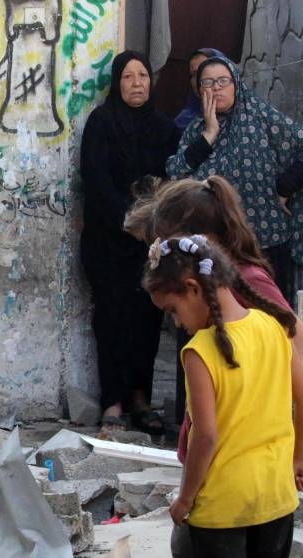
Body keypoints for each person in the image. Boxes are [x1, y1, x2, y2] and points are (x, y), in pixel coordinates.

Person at [126, 176, 303, 558]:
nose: (175, 321)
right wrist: (298, 457)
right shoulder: (267, 329)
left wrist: (186, 498)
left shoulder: (201, 349)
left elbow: (207, 435)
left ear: (193, 281)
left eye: (173, 309)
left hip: (220, 502)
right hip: (276, 492)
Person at [166, 55, 303, 301]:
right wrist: (209, 135)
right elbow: (176, 172)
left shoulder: (261, 118)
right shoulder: (195, 130)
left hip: (264, 241)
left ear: (236, 84)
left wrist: (284, 189)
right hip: (212, 246)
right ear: (199, 90)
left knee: (264, 317)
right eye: (208, 83)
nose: (216, 88)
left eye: (223, 81)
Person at [79, 50, 181, 434]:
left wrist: (153, 226)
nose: (136, 83)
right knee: (111, 320)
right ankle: (113, 401)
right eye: (128, 77)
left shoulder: (165, 129)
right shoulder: (102, 123)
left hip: (150, 245)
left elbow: (177, 175)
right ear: (117, 83)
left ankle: (141, 400)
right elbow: (95, 178)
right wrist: (130, 219)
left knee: (147, 321)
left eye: (142, 76)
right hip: (108, 242)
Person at [173, 48, 228, 129]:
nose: (200, 78)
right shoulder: (184, 120)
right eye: (194, 74)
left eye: (206, 70)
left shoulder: (247, 116)